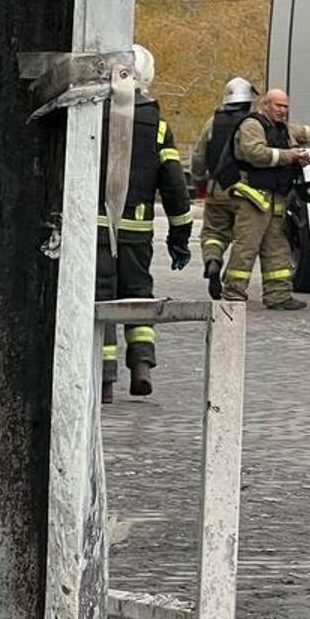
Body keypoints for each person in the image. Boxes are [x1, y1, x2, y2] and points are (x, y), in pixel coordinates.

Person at [96, 45, 193, 402]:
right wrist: (180, 233)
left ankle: (103, 381)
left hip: (95, 227)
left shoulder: (92, 115)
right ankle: (142, 367)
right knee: (137, 295)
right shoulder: (157, 124)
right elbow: (173, 183)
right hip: (137, 229)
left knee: (100, 298)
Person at [223, 88, 310, 310]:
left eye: (286, 106)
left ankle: (278, 295)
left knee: (278, 247)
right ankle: (233, 293)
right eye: (278, 106)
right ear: (265, 104)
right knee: (246, 246)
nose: (283, 110)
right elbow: (254, 153)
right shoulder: (252, 125)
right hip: (253, 197)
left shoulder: (281, 128)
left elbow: (301, 132)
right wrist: (290, 156)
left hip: (275, 197)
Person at [190, 76, 259, 300]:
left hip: (216, 189)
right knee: (243, 240)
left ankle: (212, 260)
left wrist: (199, 180)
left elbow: (199, 156)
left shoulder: (212, 122)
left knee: (213, 233)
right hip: (246, 192)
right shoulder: (253, 124)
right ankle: (234, 285)